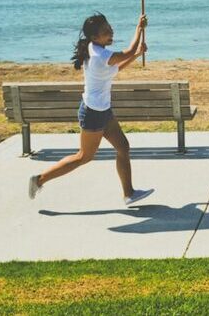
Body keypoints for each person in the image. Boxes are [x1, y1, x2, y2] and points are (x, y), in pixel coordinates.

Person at [28, 12, 154, 205]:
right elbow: (126, 52)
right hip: (93, 113)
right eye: (105, 32)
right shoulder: (99, 54)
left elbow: (117, 67)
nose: (110, 32)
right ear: (95, 37)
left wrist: (137, 54)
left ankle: (129, 193)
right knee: (83, 157)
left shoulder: (95, 49)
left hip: (103, 110)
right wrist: (139, 28)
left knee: (123, 147)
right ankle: (39, 180)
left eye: (110, 28)